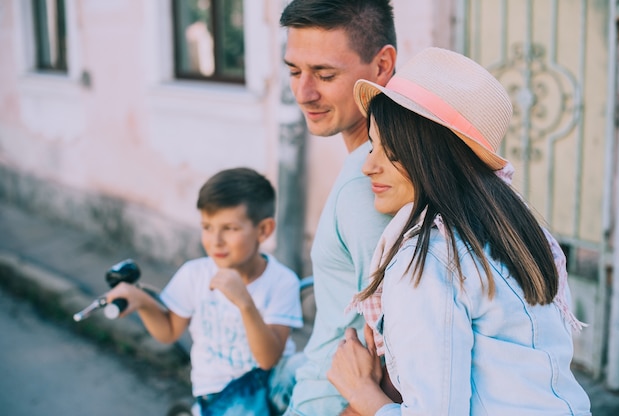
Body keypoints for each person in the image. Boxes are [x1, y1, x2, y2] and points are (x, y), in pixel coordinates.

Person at [327, 47, 592, 415]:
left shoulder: (427, 259)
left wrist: (360, 391)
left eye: (391, 151)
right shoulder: (514, 228)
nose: (368, 166)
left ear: (433, 157)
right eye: (373, 146)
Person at [105, 167, 303, 416]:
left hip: (273, 378)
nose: (215, 240)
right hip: (222, 392)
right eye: (207, 227)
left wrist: (245, 303)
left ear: (263, 230)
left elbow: (268, 360)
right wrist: (142, 302)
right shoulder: (194, 274)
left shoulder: (282, 281)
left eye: (229, 228)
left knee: (313, 369)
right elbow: (168, 332)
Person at [279, 0, 397, 414]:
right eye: (294, 71)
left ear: (382, 66)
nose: (303, 92)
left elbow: (400, 351)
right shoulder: (372, 164)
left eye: (325, 74)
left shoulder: (373, 184)